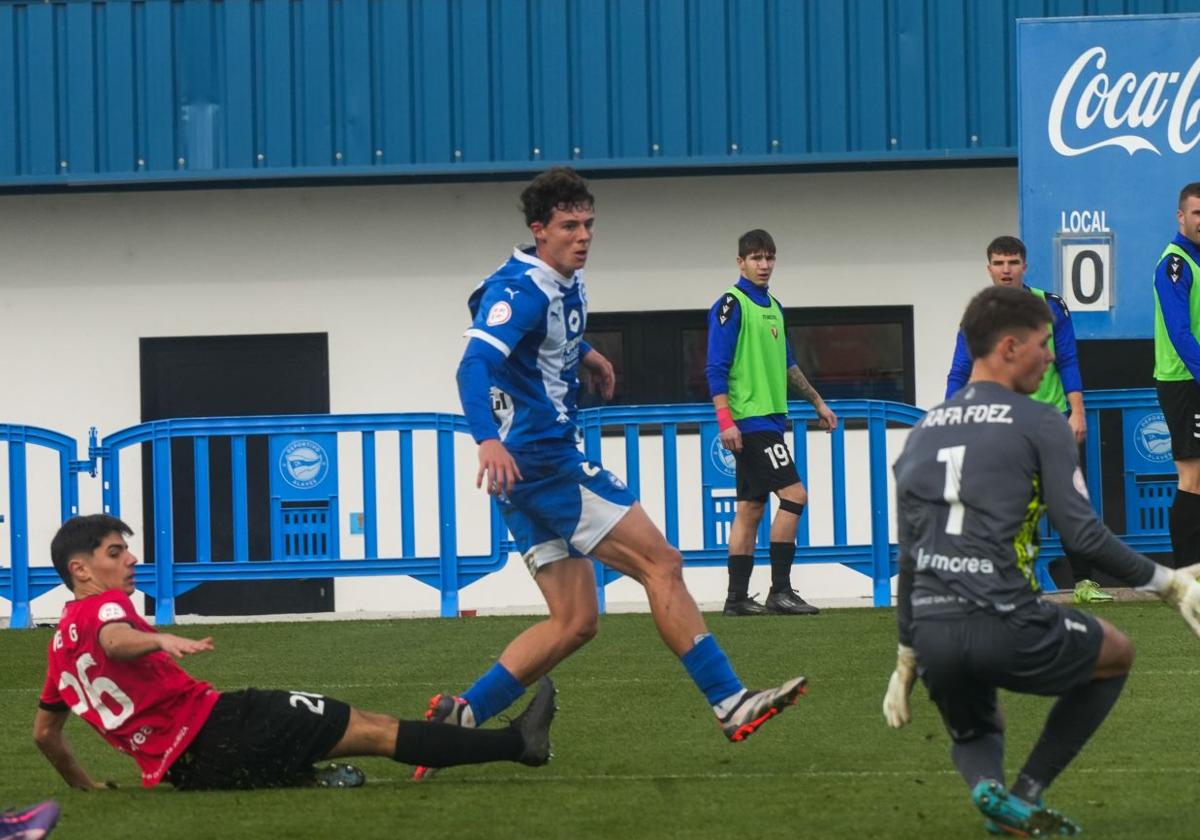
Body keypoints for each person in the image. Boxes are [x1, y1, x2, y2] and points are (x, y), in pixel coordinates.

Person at [436, 167, 807, 779]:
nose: (583, 236)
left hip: (523, 477)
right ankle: (731, 701)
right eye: (568, 226)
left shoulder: (550, 282)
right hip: (545, 461)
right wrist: (485, 440)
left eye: (588, 224)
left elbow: (486, 306)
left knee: (575, 621)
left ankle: (461, 717)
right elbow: (473, 365)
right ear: (539, 231)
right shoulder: (525, 289)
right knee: (662, 564)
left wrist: (583, 353)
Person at [883, 285, 1200, 836]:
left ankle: (989, 790)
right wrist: (1169, 584)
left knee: (975, 712)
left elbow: (909, 559)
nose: (1052, 357)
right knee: (1115, 651)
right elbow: (1084, 535)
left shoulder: (921, 433)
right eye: (1043, 344)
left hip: (932, 629)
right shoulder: (1038, 420)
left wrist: (907, 654)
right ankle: (1027, 790)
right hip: (1005, 617)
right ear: (1009, 346)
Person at [33, 515, 558, 792]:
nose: (131, 560)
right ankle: (518, 744)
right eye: (115, 552)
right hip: (219, 727)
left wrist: (87, 787)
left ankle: (303, 775)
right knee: (373, 729)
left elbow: (45, 734)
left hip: (190, 772)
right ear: (80, 570)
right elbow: (115, 641)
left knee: (305, 749)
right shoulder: (105, 610)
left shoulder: (59, 648)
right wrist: (158, 639)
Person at [945, 236, 1104, 604]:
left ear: (1025, 266)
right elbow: (959, 371)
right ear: (988, 268)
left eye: (1012, 262)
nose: (1006, 270)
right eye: (999, 263)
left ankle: (1084, 581)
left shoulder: (1050, 307)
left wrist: (1077, 411)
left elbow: (1068, 360)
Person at [704, 229, 837, 616]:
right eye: (756, 258)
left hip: (770, 420)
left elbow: (787, 364)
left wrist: (817, 402)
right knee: (795, 495)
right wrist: (726, 421)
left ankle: (736, 599)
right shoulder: (732, 304)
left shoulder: (774, 306)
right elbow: (715, 367)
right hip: (752, 421)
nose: (763, 265)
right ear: (740, 262)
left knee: (750, 507)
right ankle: (780, 591)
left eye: (769, 258)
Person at [1153, 181, 1200, 570]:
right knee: (1192, 477)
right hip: (1185, 382)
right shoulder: (1175, 264)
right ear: (1180, 216)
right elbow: (1179, 332)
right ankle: (1186, 573)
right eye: (1197, 213)